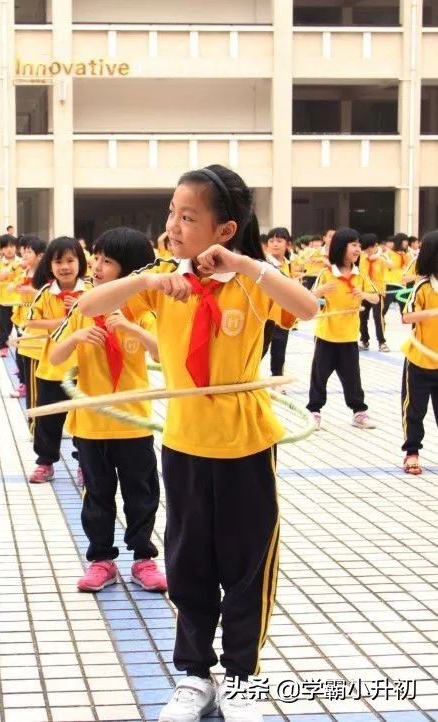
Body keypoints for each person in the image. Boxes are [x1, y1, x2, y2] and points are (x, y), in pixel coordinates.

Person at [78, 164, 318, 722]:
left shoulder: (252, 284)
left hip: (246, 447)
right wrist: (144, 280)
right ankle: (193, 675)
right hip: (184, 444)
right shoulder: (164, 283)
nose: (174, 224)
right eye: (171, 213)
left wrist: (247, 267)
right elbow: (88, 308)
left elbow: (307, 309)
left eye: (189, 216)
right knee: (188, 565)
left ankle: (241, 680)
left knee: (245, 567)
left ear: (225, 230)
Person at [49, 227, 167, 594]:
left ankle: (143, 559)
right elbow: (54, 356)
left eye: (107, 261)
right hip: (90, 424)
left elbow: (164, 354)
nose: (96, 267)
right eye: (96, 258)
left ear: (129, 270)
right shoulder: (84, 308)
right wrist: (75, 338)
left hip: (133, 424)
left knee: (141, 493)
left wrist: (131, 326)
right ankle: (101, 559)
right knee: (97, 496)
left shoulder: (141, 311)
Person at [25, 236, 88, 484]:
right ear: (49, 266)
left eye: (71, 260)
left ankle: (85, 463)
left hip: (84, 369)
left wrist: (81, 308)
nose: (65, 266)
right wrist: (58, 322)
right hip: (51, 369)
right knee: (48, 419)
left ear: (80, 263)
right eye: (58, 261)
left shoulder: (91, 291)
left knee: (83, 418)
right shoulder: (45, 293)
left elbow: (104, 318)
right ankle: (45, 462)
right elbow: (30, 323)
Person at [307, 228, 380, 431]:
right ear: (341, 247)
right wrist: (320, 291)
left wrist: (363, 294)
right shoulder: (327, 274)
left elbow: (375, 298)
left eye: (359, 245)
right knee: (319, 376)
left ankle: (358, 412)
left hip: (349, 336)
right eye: (353, 245)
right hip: (326, 335)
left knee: (352, 377)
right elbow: (309, 298)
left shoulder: (360, 275)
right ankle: (314, 411)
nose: (358, 249)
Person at [399, 230, 438, 475]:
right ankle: (412, 452)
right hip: (420, 360)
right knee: (415, 409)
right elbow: (406, 316)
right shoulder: (423, 287)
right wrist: (431, 313)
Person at [11, 236, 47, 403]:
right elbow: (12, 286)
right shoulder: (24, 271)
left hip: (38, 327)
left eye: (29, 252)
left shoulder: (45, 276)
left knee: (32, 359)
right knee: (20, 356)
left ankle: (31, 388)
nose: (24, 255)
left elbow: (47, 297)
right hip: (23, 320)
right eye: (23, 251)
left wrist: (32, 292)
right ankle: (24, 384)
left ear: (39, 256)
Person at [264, 228, 293, 376]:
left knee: (280, 350)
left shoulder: (289, 264)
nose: (275, 244)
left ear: (287, 244)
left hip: (281, 314)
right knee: (258, 350)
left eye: (279, 241)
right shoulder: (263, 263)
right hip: (264, 315)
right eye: (271, 241)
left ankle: (277, 379)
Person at [358, 233, 390, 352]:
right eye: (364, 250)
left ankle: (382, 342)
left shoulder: (382, 258)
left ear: (375, 245)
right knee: (362, 317)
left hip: (377, 293)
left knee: (378, 318)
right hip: (363, 292)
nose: (367, 252)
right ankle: (364, 340)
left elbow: (391, 265)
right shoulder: (362, 257)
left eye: (369, 249)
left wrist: (379, 255)